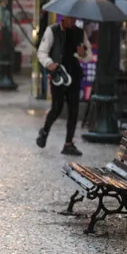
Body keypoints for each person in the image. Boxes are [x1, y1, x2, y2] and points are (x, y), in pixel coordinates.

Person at [35, 15, 93, 156]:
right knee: (57, 107)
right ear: (64, 17)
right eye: (70, 18)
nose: (73, 21)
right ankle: (44, 132)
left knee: (73, 110)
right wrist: (49, 64)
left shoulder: (80, 33)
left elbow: (88, 56)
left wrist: (82, 54)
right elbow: (42, 52)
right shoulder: (52, 30)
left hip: (74, 75)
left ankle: (68, 144)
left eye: (74, 19)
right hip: (59, 75)